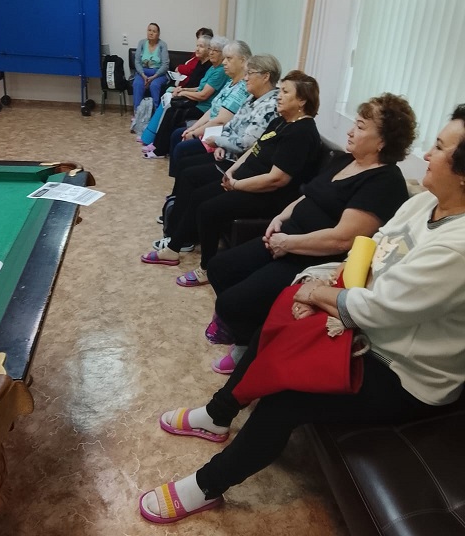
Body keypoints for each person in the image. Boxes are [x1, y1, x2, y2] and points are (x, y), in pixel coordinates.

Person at [138, 104, 465, 525]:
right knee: (277, 325)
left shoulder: (457, 247)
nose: (428, 155)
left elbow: (378, 309)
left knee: (287, 398)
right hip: (365, 328)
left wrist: (316, 293)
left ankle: (206, 486)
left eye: (438, 147)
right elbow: (365, 254)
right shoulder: (422, 205)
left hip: (402, 371)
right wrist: (319, 282)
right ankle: (217, 414)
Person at [203, 93, 417, 370]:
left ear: (383, 141)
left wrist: (288, 243)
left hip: (311, 259)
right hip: (286, 238)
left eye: (361, 126)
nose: (350, 131)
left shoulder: (384, 182)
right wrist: (280, 217)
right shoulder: (345, 160)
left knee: (232, 303)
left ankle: (251, 343)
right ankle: (250, 332)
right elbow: (309, 194)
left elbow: (342, 239)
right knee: (220, 268)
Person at [140, 71, 324, 288]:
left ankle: (207, 269)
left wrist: (236, 184)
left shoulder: (302, 133)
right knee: (198, 195)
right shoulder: (281, 121)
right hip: (246, 180)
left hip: (269, 195)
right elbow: (254, 149)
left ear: (302, 100)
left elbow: (277, 180)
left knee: (208, 209)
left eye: (285, 92)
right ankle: (173, 249)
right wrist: (233, 171)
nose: (279, 96)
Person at [167, 53, 281, 179]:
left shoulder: (269, 105)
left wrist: (214, 140)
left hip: (237, 162)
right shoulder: (248, 95)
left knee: (186, 164)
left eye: (249, 73)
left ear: (265, 77)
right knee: (184, 159)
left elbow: (243, 141)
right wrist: (220, 145)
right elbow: (230, 124)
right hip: (224, 150)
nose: (245, 78)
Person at [144, 36, 230, 158]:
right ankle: (159, 145)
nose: (211, 52)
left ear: (223, 54)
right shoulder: (213, 67)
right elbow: (200, 88)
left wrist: (183, 93)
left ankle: (160, 150)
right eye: (210, 49)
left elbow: (203, 95)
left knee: (174, 112)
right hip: (199, 104)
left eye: (215, 50)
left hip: (205, 107)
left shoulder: (220, 71)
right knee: (171, 109)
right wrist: (183, 89)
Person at [133, 23, 169, 110]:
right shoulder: (141, 43)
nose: (151, 33)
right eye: (149, 30)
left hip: (158, 74)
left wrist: (153, 77)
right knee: (137, 84)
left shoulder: (162, 45)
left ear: (158, 34)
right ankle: (137, 112)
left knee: (154, 85)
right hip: (142, 73)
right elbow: (137, 62)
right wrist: (143, 75)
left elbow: (165, 65)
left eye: (154, 31)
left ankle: (155, 111)